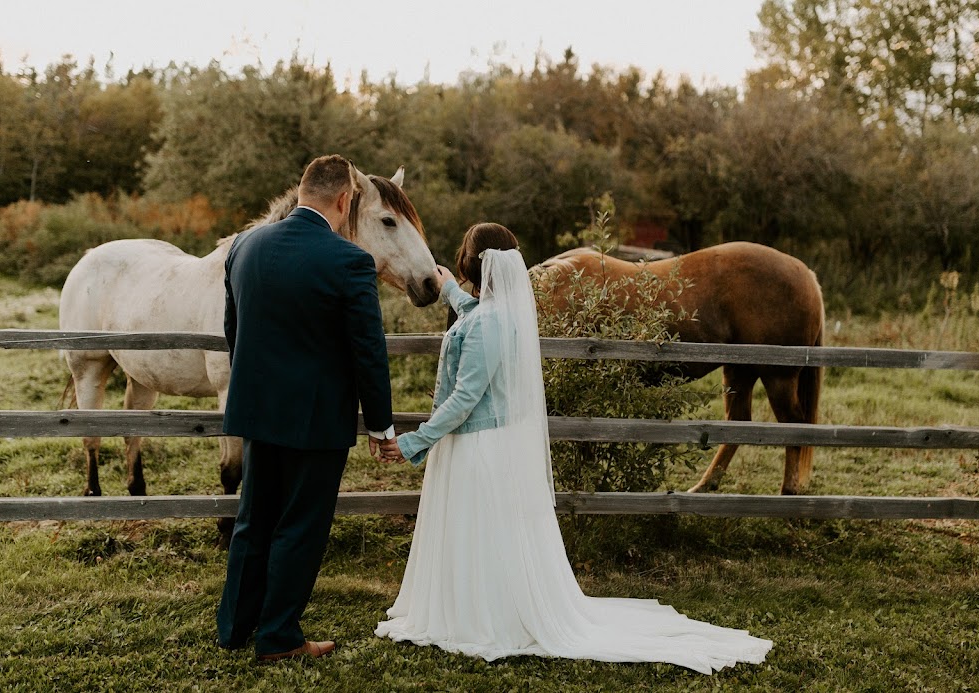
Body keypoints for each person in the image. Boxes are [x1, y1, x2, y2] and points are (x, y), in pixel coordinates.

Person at [374, 223, 773, 674]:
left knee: (479, 529)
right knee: (488, 532)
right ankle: (486, 605)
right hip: (486, 443)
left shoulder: (489, 321)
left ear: (475, 264)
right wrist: (450, 293)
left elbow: (465, 400)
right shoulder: (499, 313)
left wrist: (415, 440)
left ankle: (483, 615)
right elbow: (476, 320)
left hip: (479, 447)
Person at [217, 154, 400, 662]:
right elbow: (369, 350)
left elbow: (236, 331)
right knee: (301, 525)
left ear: (301, 191)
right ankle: (278, 638)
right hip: (316, 420)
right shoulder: (350, 261)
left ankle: (234, 627)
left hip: (256, 409)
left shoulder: (243, 246)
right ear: (345, 200)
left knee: (254, 520)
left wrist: (252, 387)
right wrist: (381, 425)